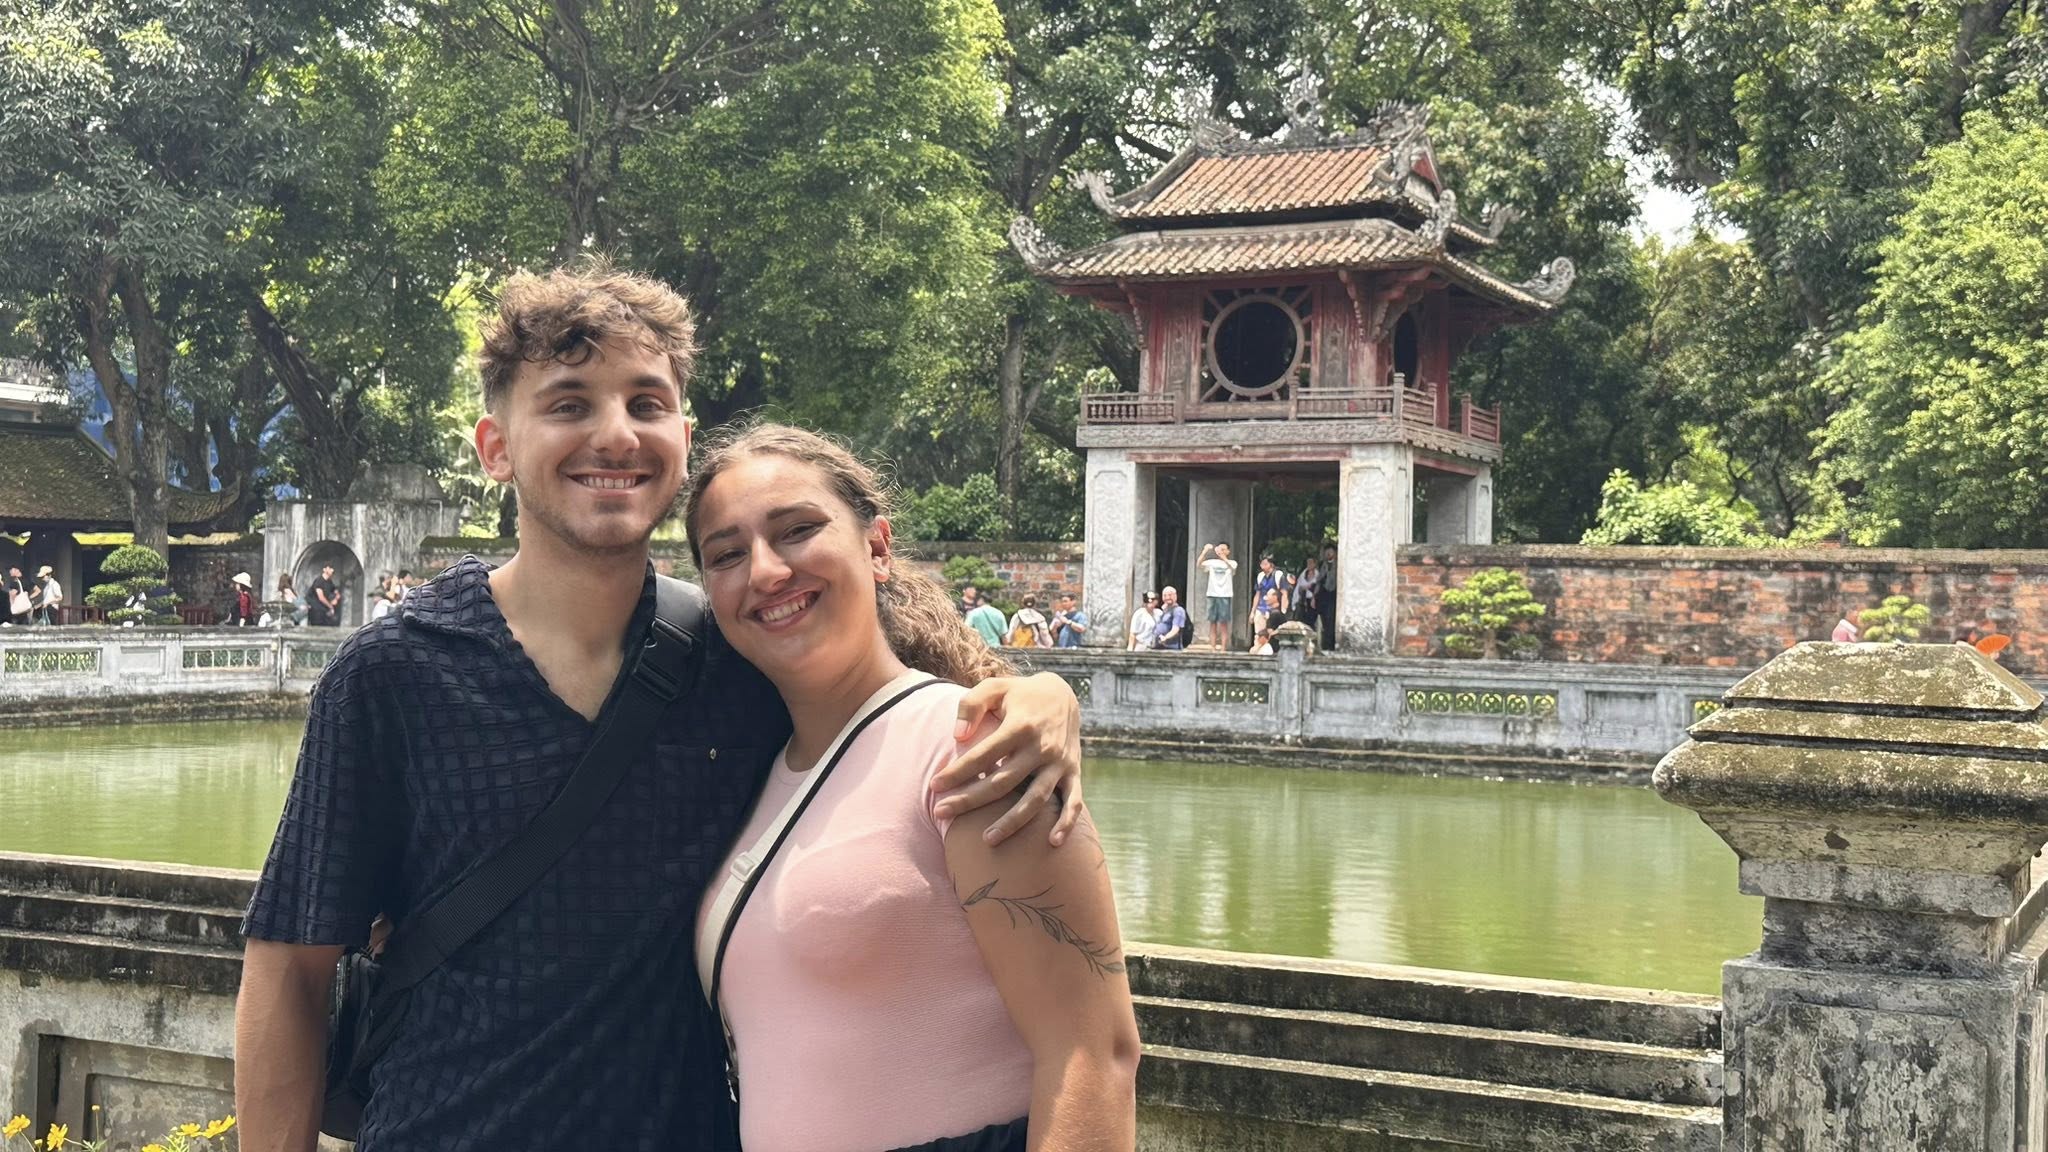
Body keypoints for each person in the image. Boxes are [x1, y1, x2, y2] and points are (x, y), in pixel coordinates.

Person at [235, 262, 1087, 1152]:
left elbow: (899, 701)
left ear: (682, 435)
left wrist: (1043, 695)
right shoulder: (394, 676)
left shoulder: (739, 660)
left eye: (645, 403)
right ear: (496, 447)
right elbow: (291, 967)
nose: (614, 434)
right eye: (568, 405)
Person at [683, 422, 1138, 1152]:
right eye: (727, 554)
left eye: (797, 530)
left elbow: (1095, 1055)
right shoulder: (751, 767)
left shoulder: (978, 750)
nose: (765, 571)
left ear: (877, 546)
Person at [1197, 542, 1237, 650]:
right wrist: (1205, 551)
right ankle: (1213, 647)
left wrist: (1223, 557)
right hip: (1212, 594)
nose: (1221, 551)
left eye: (1224, 549)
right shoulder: (1212, 563)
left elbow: (1232, 567)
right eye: (1220, 549)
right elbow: (1199, 564)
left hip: (1225, 595)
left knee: (1224, 623)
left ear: (1228, 551)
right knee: (1212, 622)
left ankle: (1223, 648)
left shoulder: (1232, 563)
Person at [1315, 543, 1338, 651]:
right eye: (1327, 552)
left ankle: (1331, 644)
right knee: (1324, 621)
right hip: (1323, 596)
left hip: (1333, 595)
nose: (1329, 554)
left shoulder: (1338, 565)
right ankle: (1324, 644)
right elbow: (1318, 581)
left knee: (1331, 620)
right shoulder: (1321, 565)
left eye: (1331, 551)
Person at [1154, 586, 1189, 651]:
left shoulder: (1178, 610)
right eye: (1165, 595)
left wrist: (1165, 638)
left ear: (1175, 596)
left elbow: (1175, 629)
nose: (1167, 598)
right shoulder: (1163, 611)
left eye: (1170, 595)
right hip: (1160, 647)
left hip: (1172, 648)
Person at [1294, 552, 1322, 632]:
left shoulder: (1318, 575)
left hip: (1313, 601)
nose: (1309, 564)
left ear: (1315, 564)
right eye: (1308, 563)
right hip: (1303, 600)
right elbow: (1299, 587)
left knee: (1311, 620)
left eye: (1311, 563)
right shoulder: (1303, 574)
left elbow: (1317, 587)